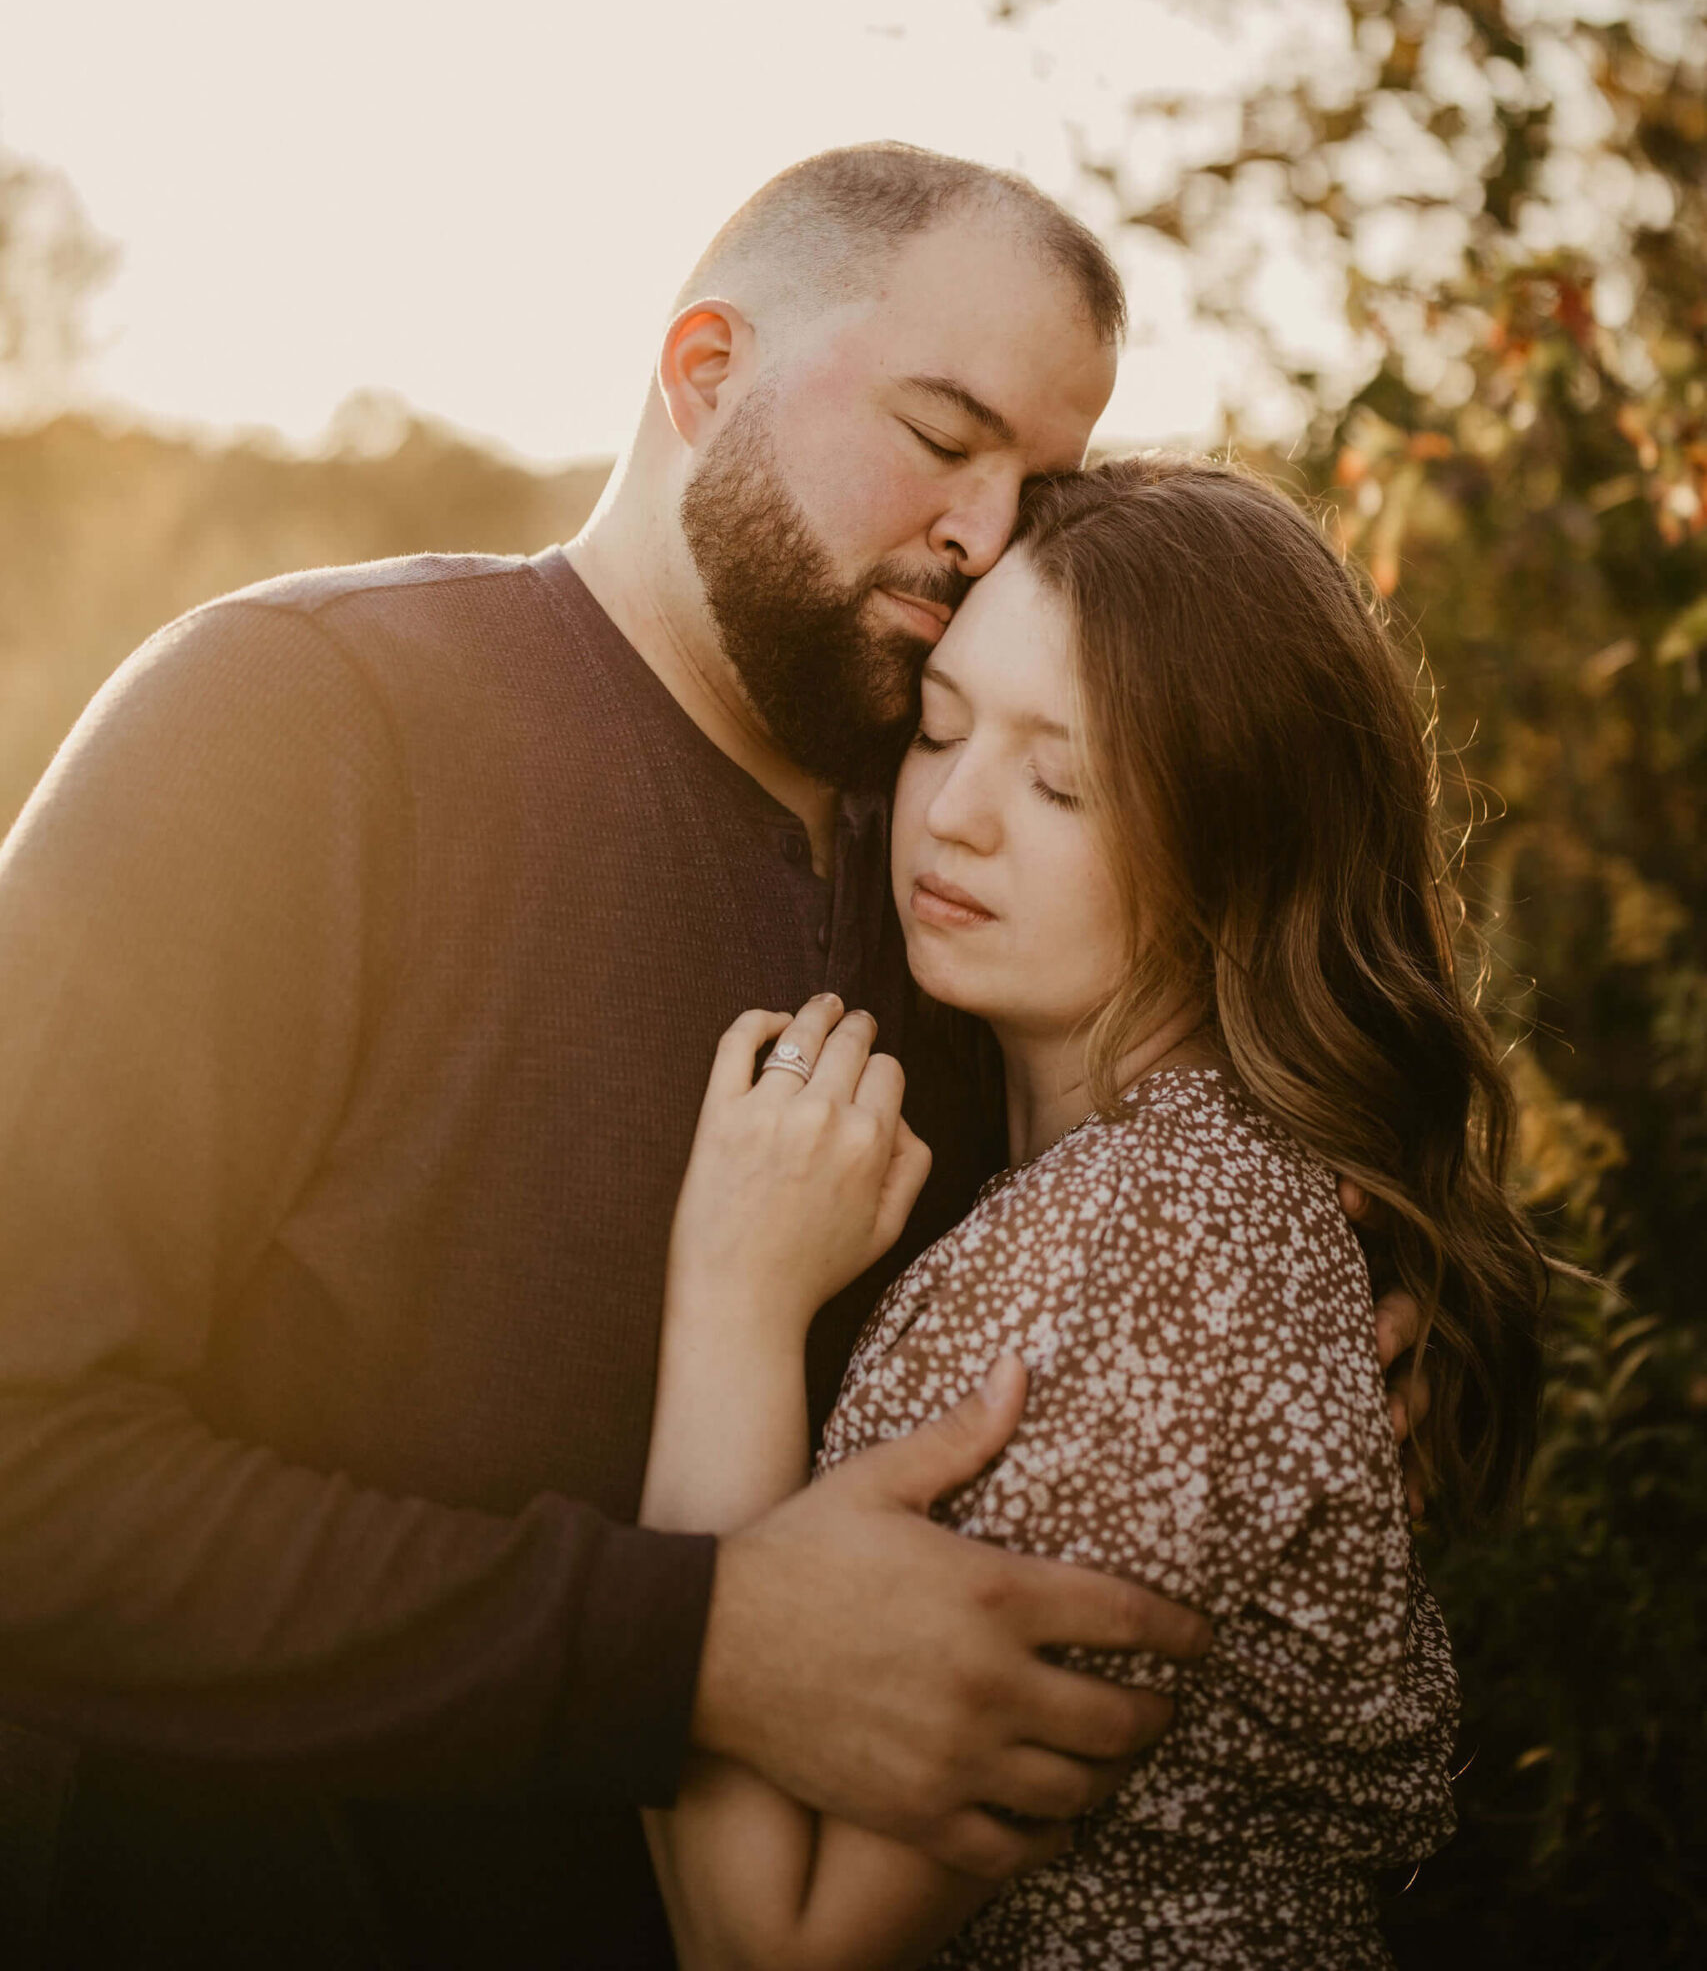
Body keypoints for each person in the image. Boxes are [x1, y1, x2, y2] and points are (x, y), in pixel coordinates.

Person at [0, 145, 1423, 1967]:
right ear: (705, 374)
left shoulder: (965, 885)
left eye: (1039, 483)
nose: (989, 531)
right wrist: (694, 1646)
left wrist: (1320, 1309)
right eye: (941, 433)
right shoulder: (289, 728)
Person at [639, 455, 1550, 1969]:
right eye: (941, 728)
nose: (959, 814)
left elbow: (772, 1945)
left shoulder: (1157, 1249)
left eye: (1063, 781)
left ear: (1235, 847)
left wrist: (729, 1302)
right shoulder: (1183, 1198)